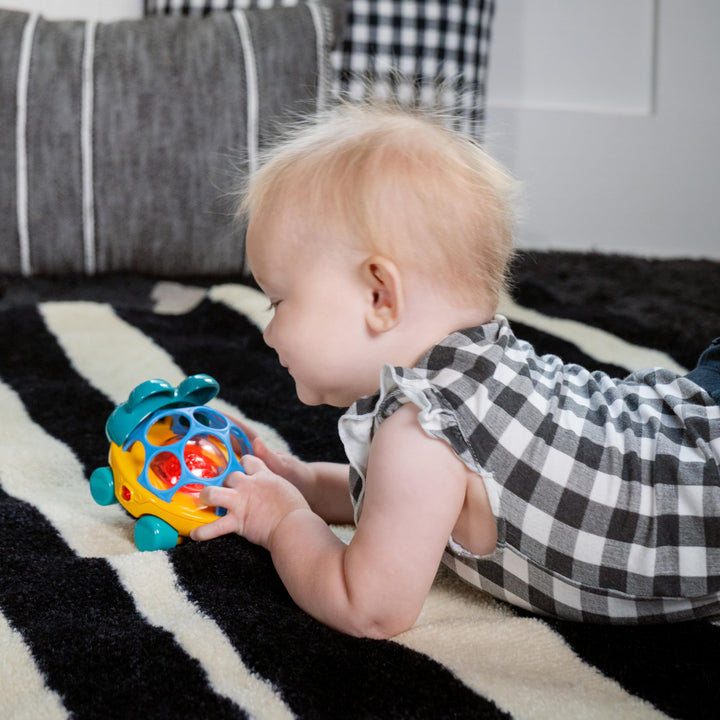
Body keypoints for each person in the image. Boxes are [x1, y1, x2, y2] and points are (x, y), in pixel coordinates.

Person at [190, 103, 720, 637]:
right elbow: (396, 508)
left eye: (278, 301)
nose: (268, 332)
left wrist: (283, 521)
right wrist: (304, 483)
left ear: (380, 295)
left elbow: (368, 606)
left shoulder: (423, 428)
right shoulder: (466, 371)